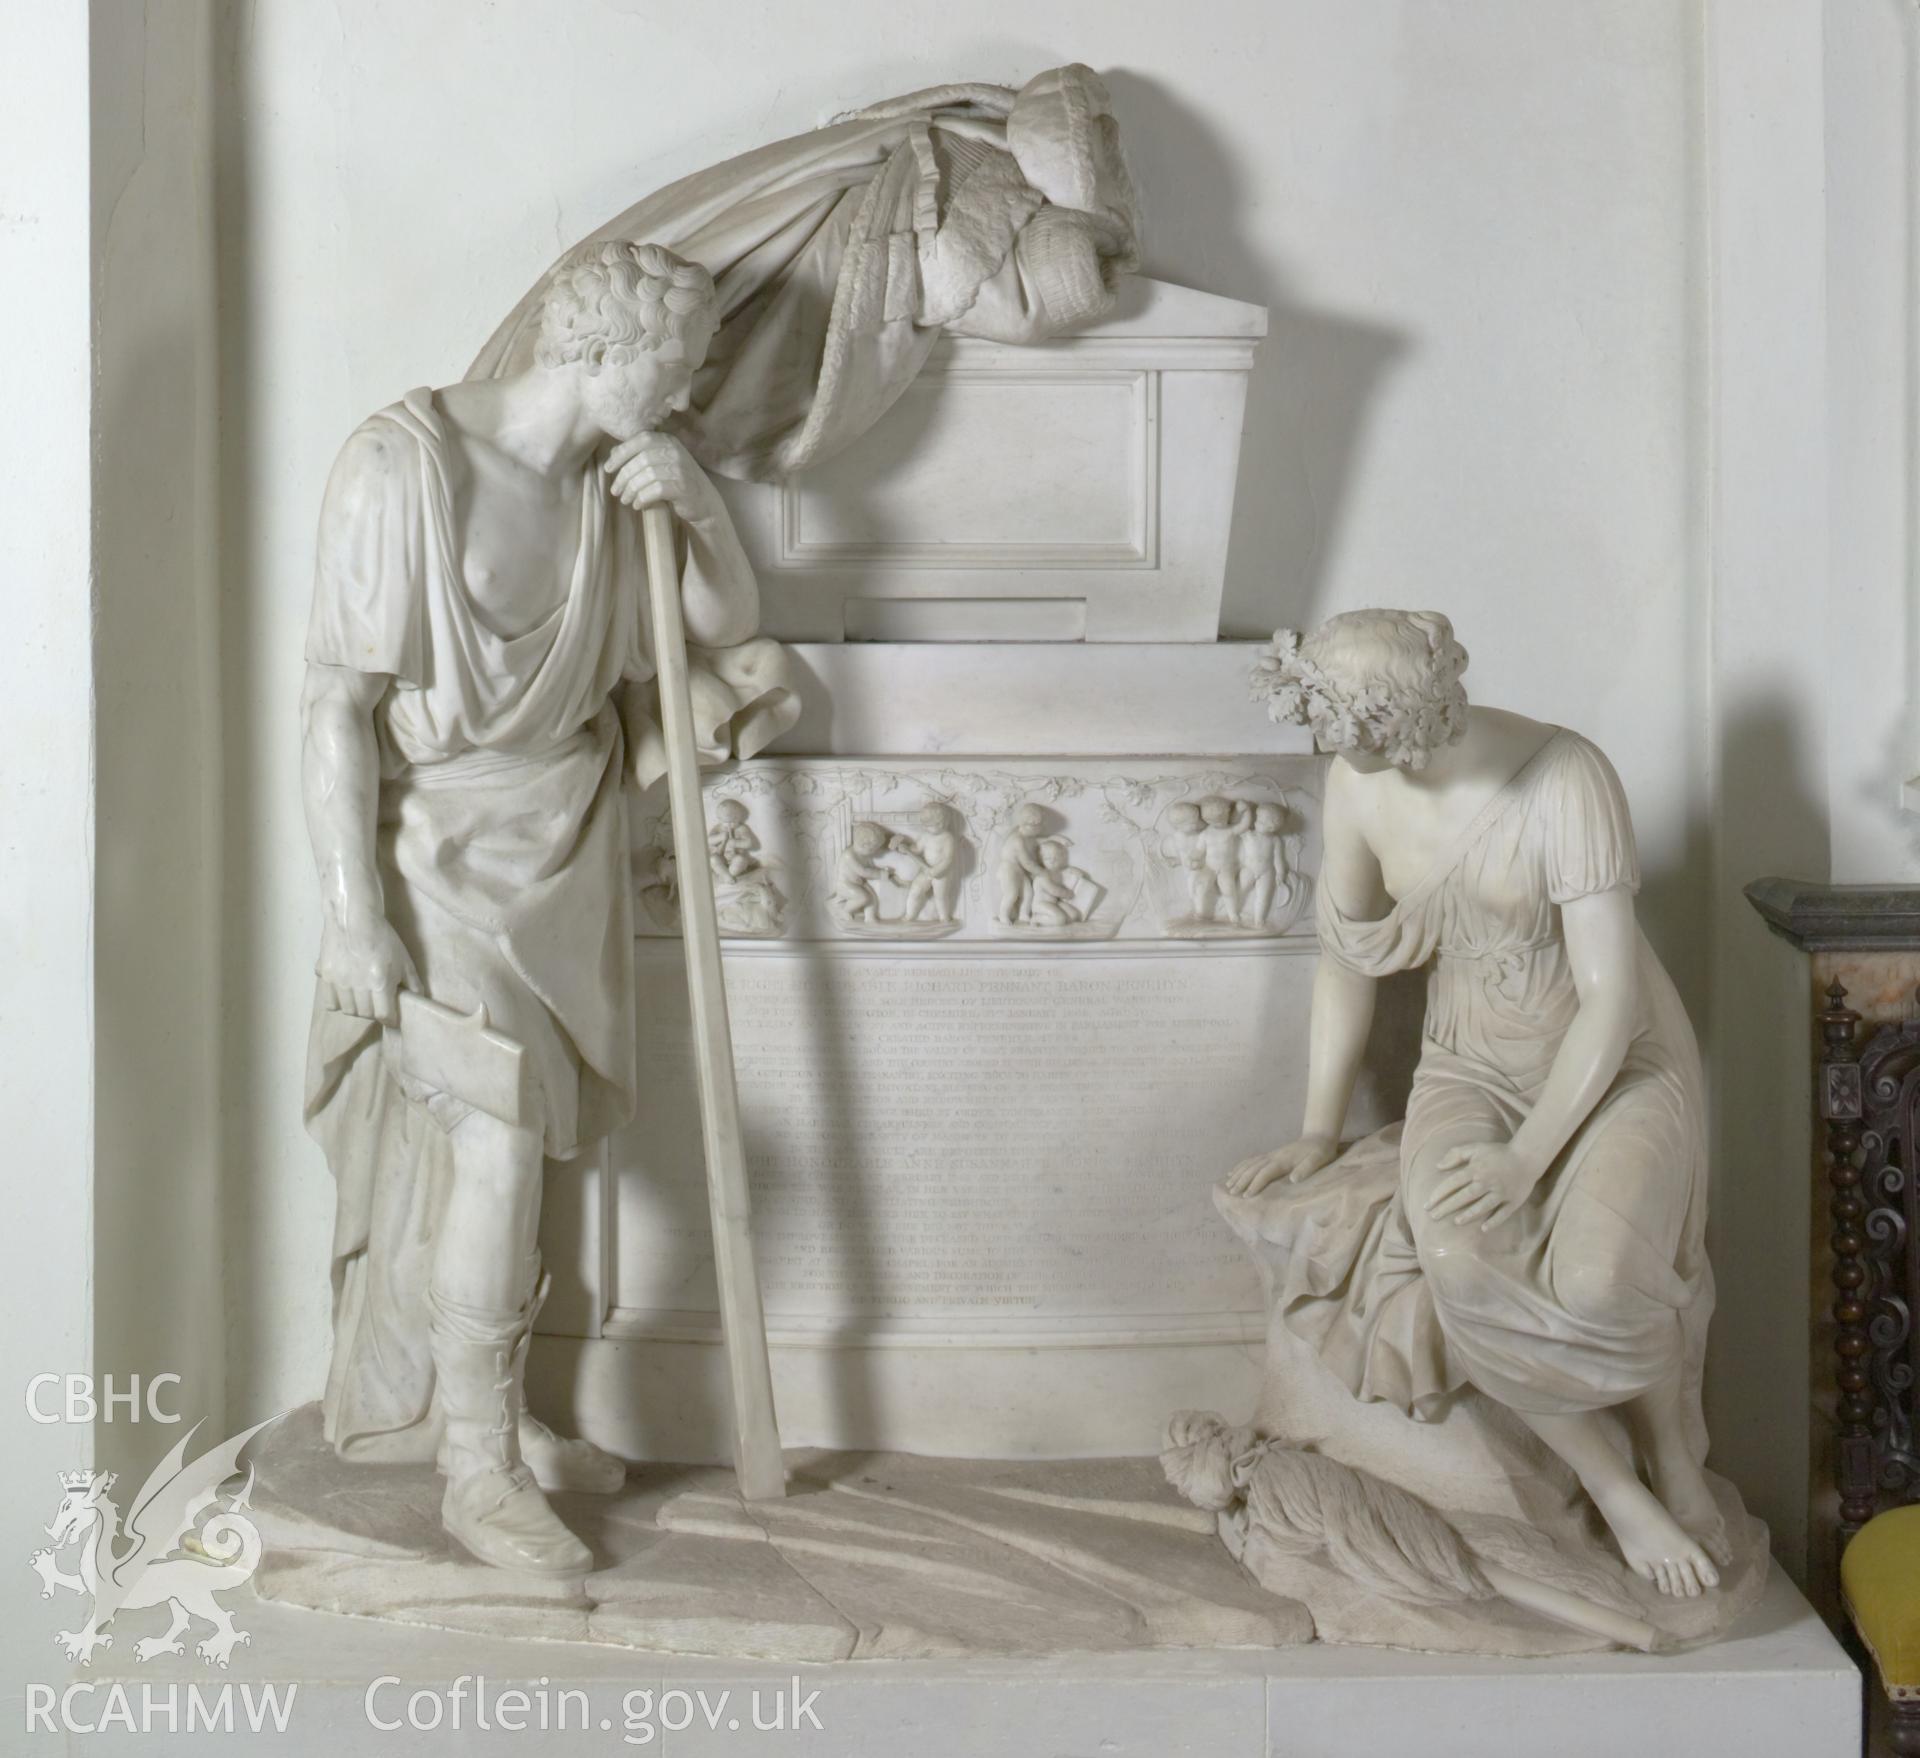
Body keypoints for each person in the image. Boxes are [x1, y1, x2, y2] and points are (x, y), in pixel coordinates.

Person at [302, 241, 795, 1575]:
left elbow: (722, 621)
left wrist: (695, 505)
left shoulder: (606, 489)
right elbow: (338, 709)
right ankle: (476, 1470)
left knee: (526, 1158)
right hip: (439, 853)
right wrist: (354, 914)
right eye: (680, 372)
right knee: (498, 1141)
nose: (687, 394)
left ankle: (502, 1416)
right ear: (612, 354)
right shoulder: (402, 469)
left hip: (562, 847)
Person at [1225, 610, 1727, 1599]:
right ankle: (1618, 1490)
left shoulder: (1564, 777)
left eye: (1361, 730)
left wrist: (1527, 1160)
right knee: (1456, 1261)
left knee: (1598, 1281)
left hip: (1612, 1065)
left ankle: (1674, 1447)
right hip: (1469, 1066)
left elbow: (1613, 1000)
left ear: (1415, 712)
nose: (1344, 752)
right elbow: (1345, 961)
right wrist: (1320, 1130)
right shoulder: (1355, 784)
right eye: (1332, 730)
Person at [996, 804, 1049, 924]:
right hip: (1008, 870)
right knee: (1011, 894)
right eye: (1039, 826)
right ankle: (1003, 915)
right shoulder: (1017, 840)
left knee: (1028, 893)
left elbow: (1037, 841)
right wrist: (1043, 872)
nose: (1041, 829)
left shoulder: (1026, 836)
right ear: (1029, 825)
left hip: (1018, 871)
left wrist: (1055, 838)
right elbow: (1027, 863)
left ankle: (1023, 914)